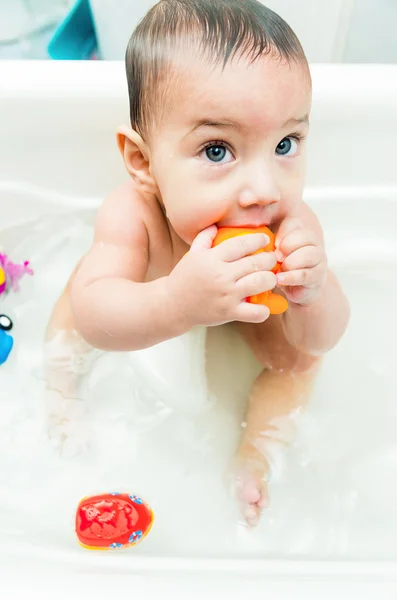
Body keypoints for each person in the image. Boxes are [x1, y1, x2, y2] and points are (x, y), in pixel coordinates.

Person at [44, 0, 350, 526]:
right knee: (82, 293)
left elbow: (324, 339)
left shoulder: (290, 223)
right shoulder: (133, 216)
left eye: (285, 143)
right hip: (151, 300)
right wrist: (175, 301)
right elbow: (96, 319)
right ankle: (58, 394)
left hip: (249, 317)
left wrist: (312, 291)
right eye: (217, 150)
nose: (263, 189)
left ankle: (257, 450)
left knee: (299, 361)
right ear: (143, 163)